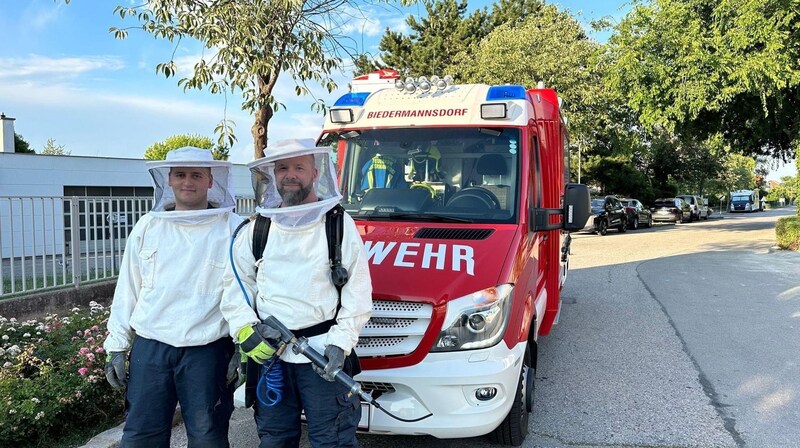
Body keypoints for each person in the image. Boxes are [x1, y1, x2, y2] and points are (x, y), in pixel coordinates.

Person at [221, 139, 372, 448]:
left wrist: (341, 344)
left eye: (298, 168)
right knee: (275, 439)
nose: (290, 175)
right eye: (282, 168)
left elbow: (358, 291)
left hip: (322, 353)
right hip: (272, 356)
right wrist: (245, 329)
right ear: (272, 175)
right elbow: (236, 286)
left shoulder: (338, 224)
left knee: (333, 440)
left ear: (315, 173)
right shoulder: (258, 229)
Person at [103, 147, 243, 448]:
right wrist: (116, 346)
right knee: (142, 436)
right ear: (168, 179)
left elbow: (245, 294)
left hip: (208, 350)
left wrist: (241, 348)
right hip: (151, 348)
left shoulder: (234, 229)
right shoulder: (147, 227)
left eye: (196, 175)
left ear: (210, 180)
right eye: (180, 174)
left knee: (208, 438)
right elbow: (128, 288)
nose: (187, 182)